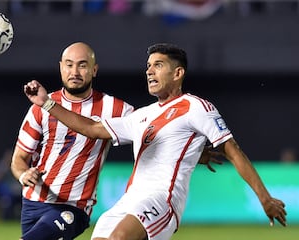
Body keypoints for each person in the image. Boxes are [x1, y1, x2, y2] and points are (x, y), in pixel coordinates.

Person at [23, 43, 287, 240]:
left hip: (162, 199)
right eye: (148, 66)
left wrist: (265, 199)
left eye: (158, 65)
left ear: (178, 73)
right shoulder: (143, 115)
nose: (149, 71)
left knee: (119, 238)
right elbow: (91, 128)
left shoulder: (196, 107)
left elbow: (233, 151)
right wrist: (47, 103)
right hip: (129, 201)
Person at [10, 42, 135, 240]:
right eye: (69, 65)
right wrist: (23, 175)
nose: (74, 71)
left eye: (82, 65)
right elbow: (19, 158)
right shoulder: (38, 107)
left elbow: (151, 134)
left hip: (74, 207)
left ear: (94, 70)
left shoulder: (115, 109)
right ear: (61, 67)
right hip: (33, 202)